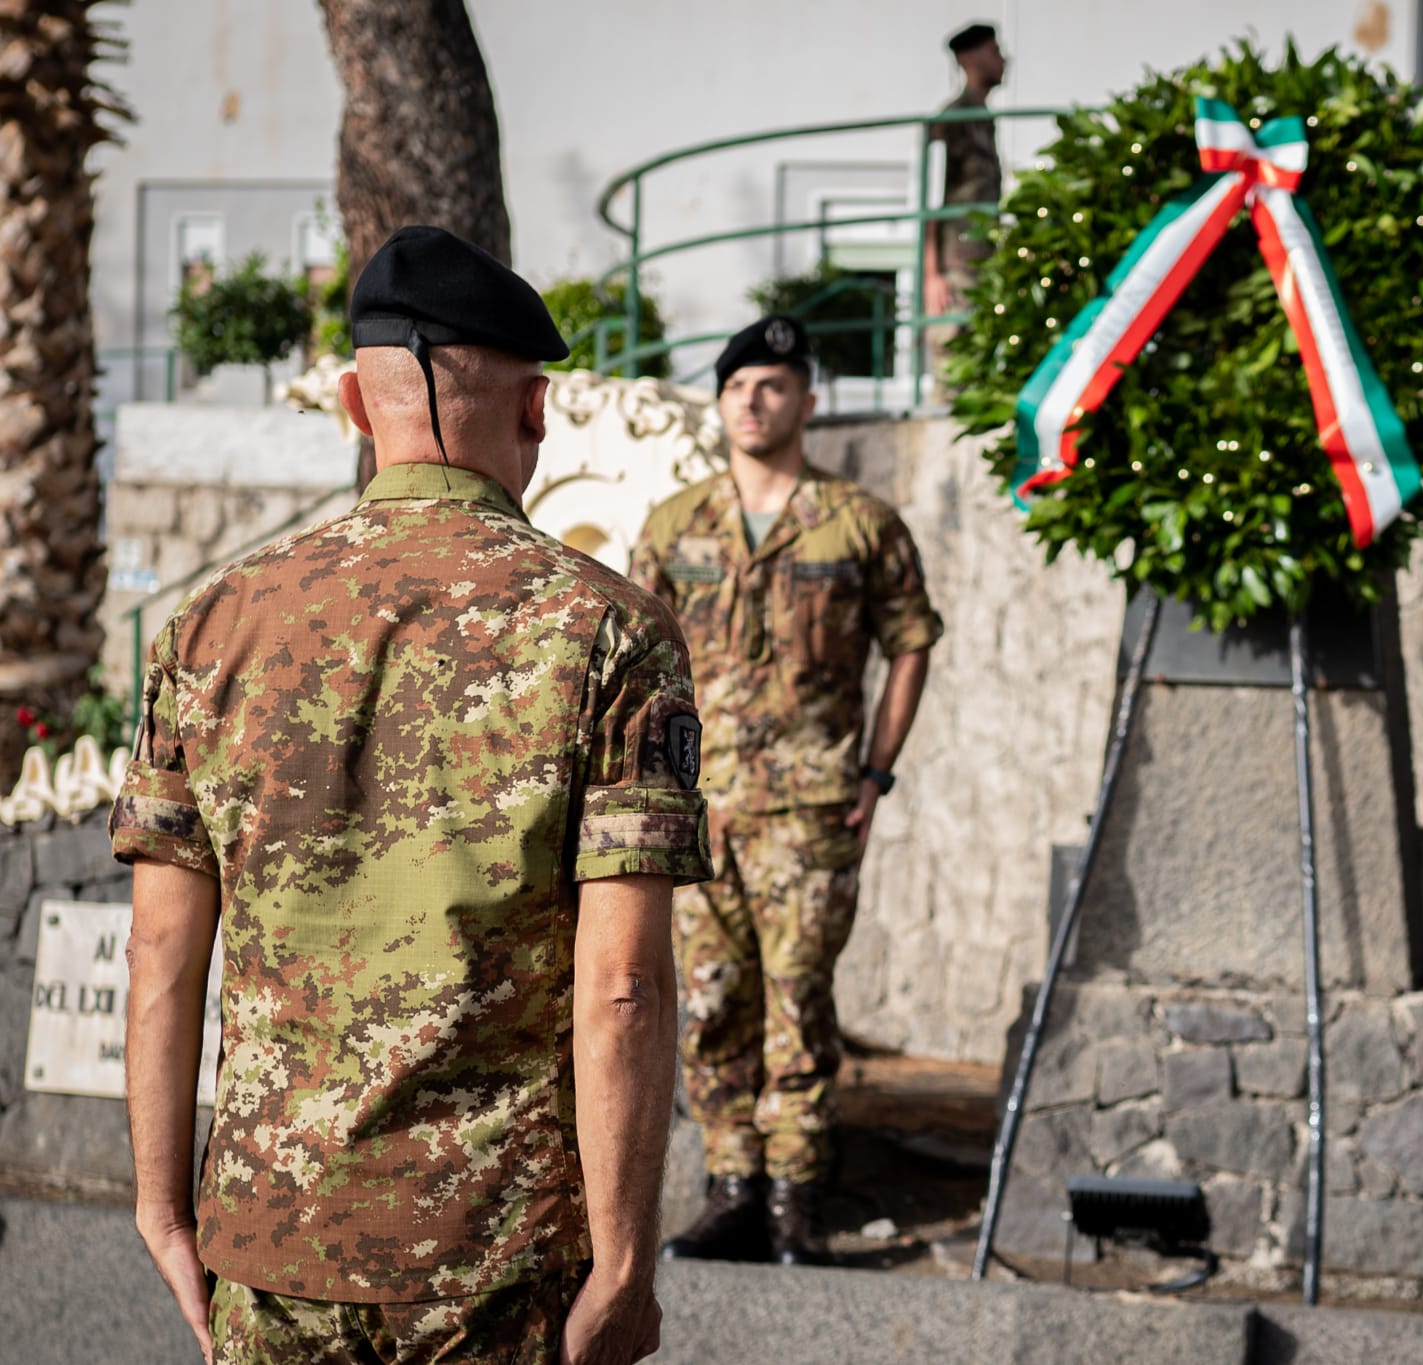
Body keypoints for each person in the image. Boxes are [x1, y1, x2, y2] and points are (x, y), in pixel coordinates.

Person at [116, 225, 711, 1365]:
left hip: (268, 1243)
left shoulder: (211, 621)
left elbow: (158, 955)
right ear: (535, 411)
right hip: (495, 1260)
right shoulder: (607, 629)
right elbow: (623, 982)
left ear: (352, 402)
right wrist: (627, 1266)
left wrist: (160, 1206)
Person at [629, 314, 942, 1267]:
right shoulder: (676, 523)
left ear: (806, 400)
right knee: (713, 1003)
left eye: (771, 385)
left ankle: (796, 1201)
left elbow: (912, 641)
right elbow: (635, 659)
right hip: (702, 812)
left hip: (809, 813)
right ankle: (731, 1191)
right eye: (735, 387)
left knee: (798, 1003)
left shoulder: (858, 522)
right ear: (719, 404)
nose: (752, 402)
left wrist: (876, 771)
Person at [922, 22, 1006, 347]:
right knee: (953, 355)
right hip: (955, 268)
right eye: (994, 51)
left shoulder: (982, 117)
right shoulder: (953, 119)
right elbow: (930, 196)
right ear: (969, 58)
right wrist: (932, 274)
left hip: (982, 264)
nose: (1003, 60)